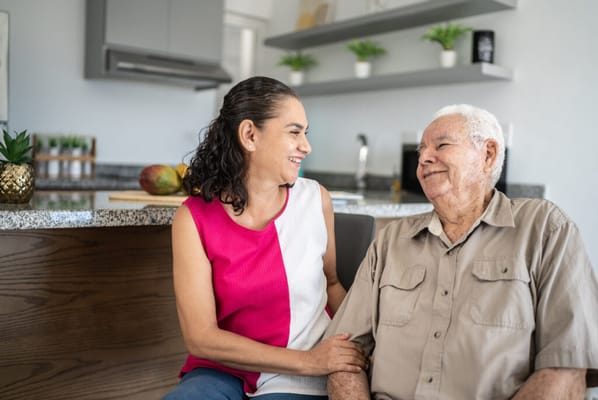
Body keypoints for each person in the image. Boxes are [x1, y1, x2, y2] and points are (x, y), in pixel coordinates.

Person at [326, 104, 598, 399]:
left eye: (441, 145)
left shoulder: (544, 228)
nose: (424, 158)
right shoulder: (391, 239)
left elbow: (566, 367)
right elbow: (343, 355)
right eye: (421, 151)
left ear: (488, 155)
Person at [163, 76, 366, 400]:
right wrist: (308, 361)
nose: (306, 146)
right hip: (224, 368)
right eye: (294, 132)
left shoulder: (315, 200)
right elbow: (201, 337)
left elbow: (331, 285)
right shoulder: (193, 218)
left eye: (305, 133)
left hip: (301, 378)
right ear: (249, 135)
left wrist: (357, 350)